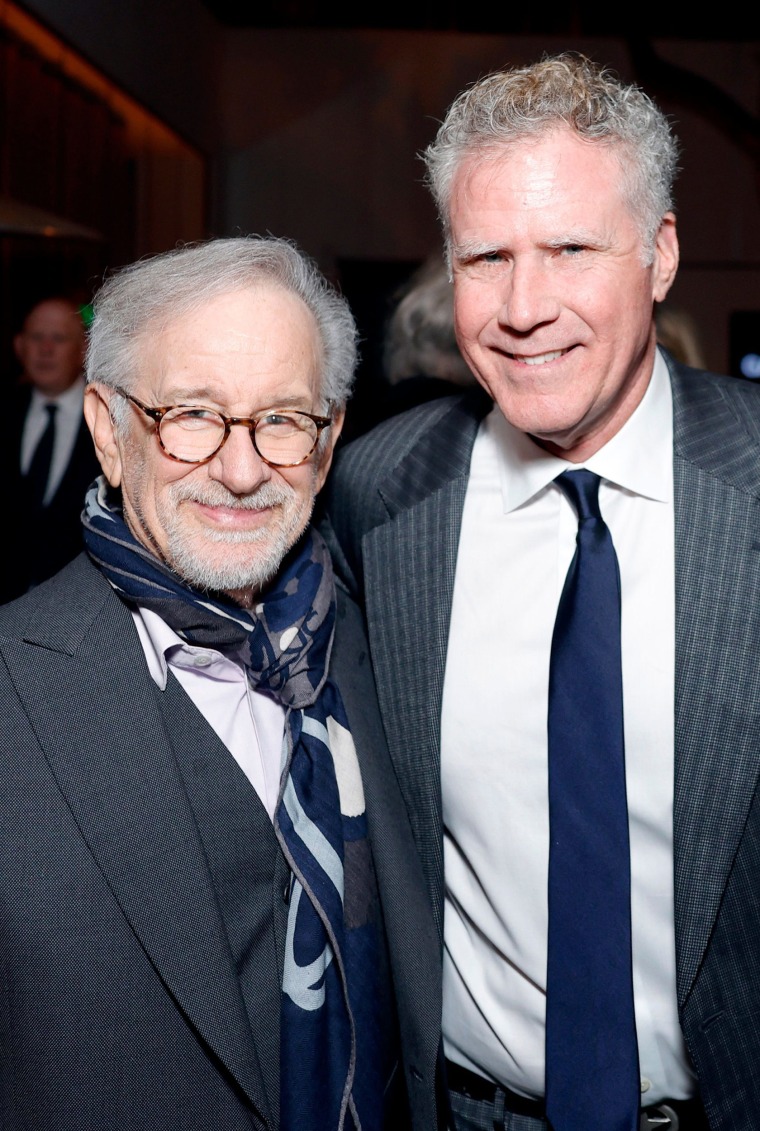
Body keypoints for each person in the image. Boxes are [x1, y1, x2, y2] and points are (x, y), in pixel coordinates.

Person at [325, 55, 760, 1131]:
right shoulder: (381, 496)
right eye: (487, 257)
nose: (523, 309)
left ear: (660, 255)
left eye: (570, 249)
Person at [0, 238, 441, 1131]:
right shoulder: (15, 691)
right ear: (108, 430)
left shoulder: (387, 651)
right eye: (193, 414)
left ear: (328, 443)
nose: (242, 471)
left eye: (283, 419)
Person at [1, 295, 100, 602]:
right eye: (36, 337)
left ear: (84, 349)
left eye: (58, 338)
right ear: (19, 346)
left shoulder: (109, 422)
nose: (45, 349)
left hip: (76, 606)